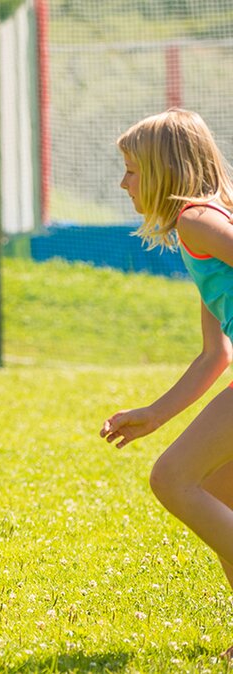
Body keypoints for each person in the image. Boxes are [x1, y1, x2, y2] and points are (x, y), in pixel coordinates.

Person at [100, 109, 233, 655]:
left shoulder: (198, 221)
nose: (124, 182)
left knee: (171, 479)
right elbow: (214, 355)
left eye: (132, 170)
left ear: (162, 171)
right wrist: (155, 414)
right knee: (218, 491)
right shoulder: (197, 231)